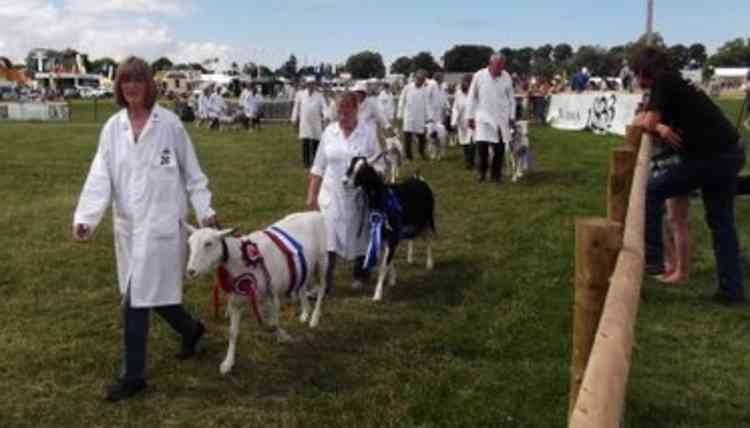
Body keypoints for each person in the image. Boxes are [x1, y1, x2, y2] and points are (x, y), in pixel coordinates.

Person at [72, 57, 216, 401]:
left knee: (135, 299)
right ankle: (191, 329)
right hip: (130, 229)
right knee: (149, 292)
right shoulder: (112, 128)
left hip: (163, 225)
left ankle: (133, 376)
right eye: (125, 81)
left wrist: (206, 211)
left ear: (149, 84)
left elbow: (193, 174)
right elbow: (99, 175)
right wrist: (87, 217)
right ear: (119, 87)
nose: (132, 86)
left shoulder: (169, 125)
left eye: (138, 80)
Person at [632, 46, 746, 304]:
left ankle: (653, 259)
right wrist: (660, 125)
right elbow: (648, 119)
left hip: (713, 157)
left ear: (642, 71)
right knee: (721, 224)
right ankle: (732, 291)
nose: (636, 81)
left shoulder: (662, 81)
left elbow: (646, 121)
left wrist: (656, 125)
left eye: (635, 74)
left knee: (650, 191)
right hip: (728, 152)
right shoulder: (674, 81)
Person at [306, 91, 383, 289]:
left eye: (346, 113)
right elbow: (318, 166)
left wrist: (370, 176)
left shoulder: (367, 132)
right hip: (331, 194)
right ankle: (325, 281)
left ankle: (361, 274)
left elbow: (379, 165)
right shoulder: (329, 132)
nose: (342, 118)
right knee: (328, 238)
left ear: (356, 110)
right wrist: (311, 195)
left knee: (361, 234)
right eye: (339, 113)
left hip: (358, 196)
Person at [466, 53, 516, 183]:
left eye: (502, 66)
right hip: (483, 117)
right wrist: (470, 116)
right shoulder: (479, 76)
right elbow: (471, 96)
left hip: (501, 118)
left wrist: (512, 116)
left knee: (499, 149)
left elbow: (511, 99)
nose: (500, 69)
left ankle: (496, 175)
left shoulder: (506, 77)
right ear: (490, 64)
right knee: (482, 147)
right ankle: (482, 173)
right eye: (498, 65)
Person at [290, 77, 327, 169]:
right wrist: (294, 118)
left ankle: (315, 162)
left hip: (316, 122)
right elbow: (296, 107)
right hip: (305, 122)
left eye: (312, 84)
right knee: (305, 142)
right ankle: (306, 163)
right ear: (306, 84)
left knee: (315, 143)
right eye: (309, 84)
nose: (311, 85)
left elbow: (324, 107)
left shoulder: (319, 95)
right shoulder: (300, 94)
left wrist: (326, 116)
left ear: (315, 85)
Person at [398, 69, 432, 160]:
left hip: (420, 116)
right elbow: (402, 101)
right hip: (409, 115)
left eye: (422, 79)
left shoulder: (425, 90)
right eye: (418, 78)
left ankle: (421, 152)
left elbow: (427, 104)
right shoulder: (407, 88)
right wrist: (400, 114)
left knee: (422, 137)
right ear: (415, 78)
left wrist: (429, 117)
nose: (420, 80)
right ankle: (409, 156)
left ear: (424, 80)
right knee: (407, 137)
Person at [451, 73, 476, 169]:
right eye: (466, 82)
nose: (468, 85)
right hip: (462, 121)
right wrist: (454, 121)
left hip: (473, 120)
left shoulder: (476, 93)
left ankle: (470, 162)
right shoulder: (458, 93)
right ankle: (467, 160)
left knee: (472, 142)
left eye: (470, 83)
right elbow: (456, 108)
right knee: (464, 142)